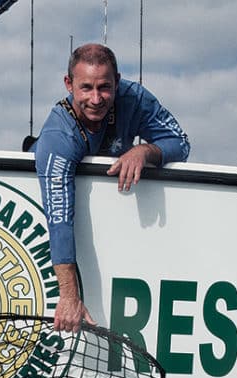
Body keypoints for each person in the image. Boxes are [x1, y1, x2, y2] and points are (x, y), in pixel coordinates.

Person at [33, 43, 189, 332]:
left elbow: (180, 143)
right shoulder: (59, 135)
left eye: (104, 87)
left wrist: (145, 152)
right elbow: (60, 220)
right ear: (69, 85)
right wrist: (69, 297)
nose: (95, 98)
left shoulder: (134, 98)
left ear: (117, 82)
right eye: (86, 88)